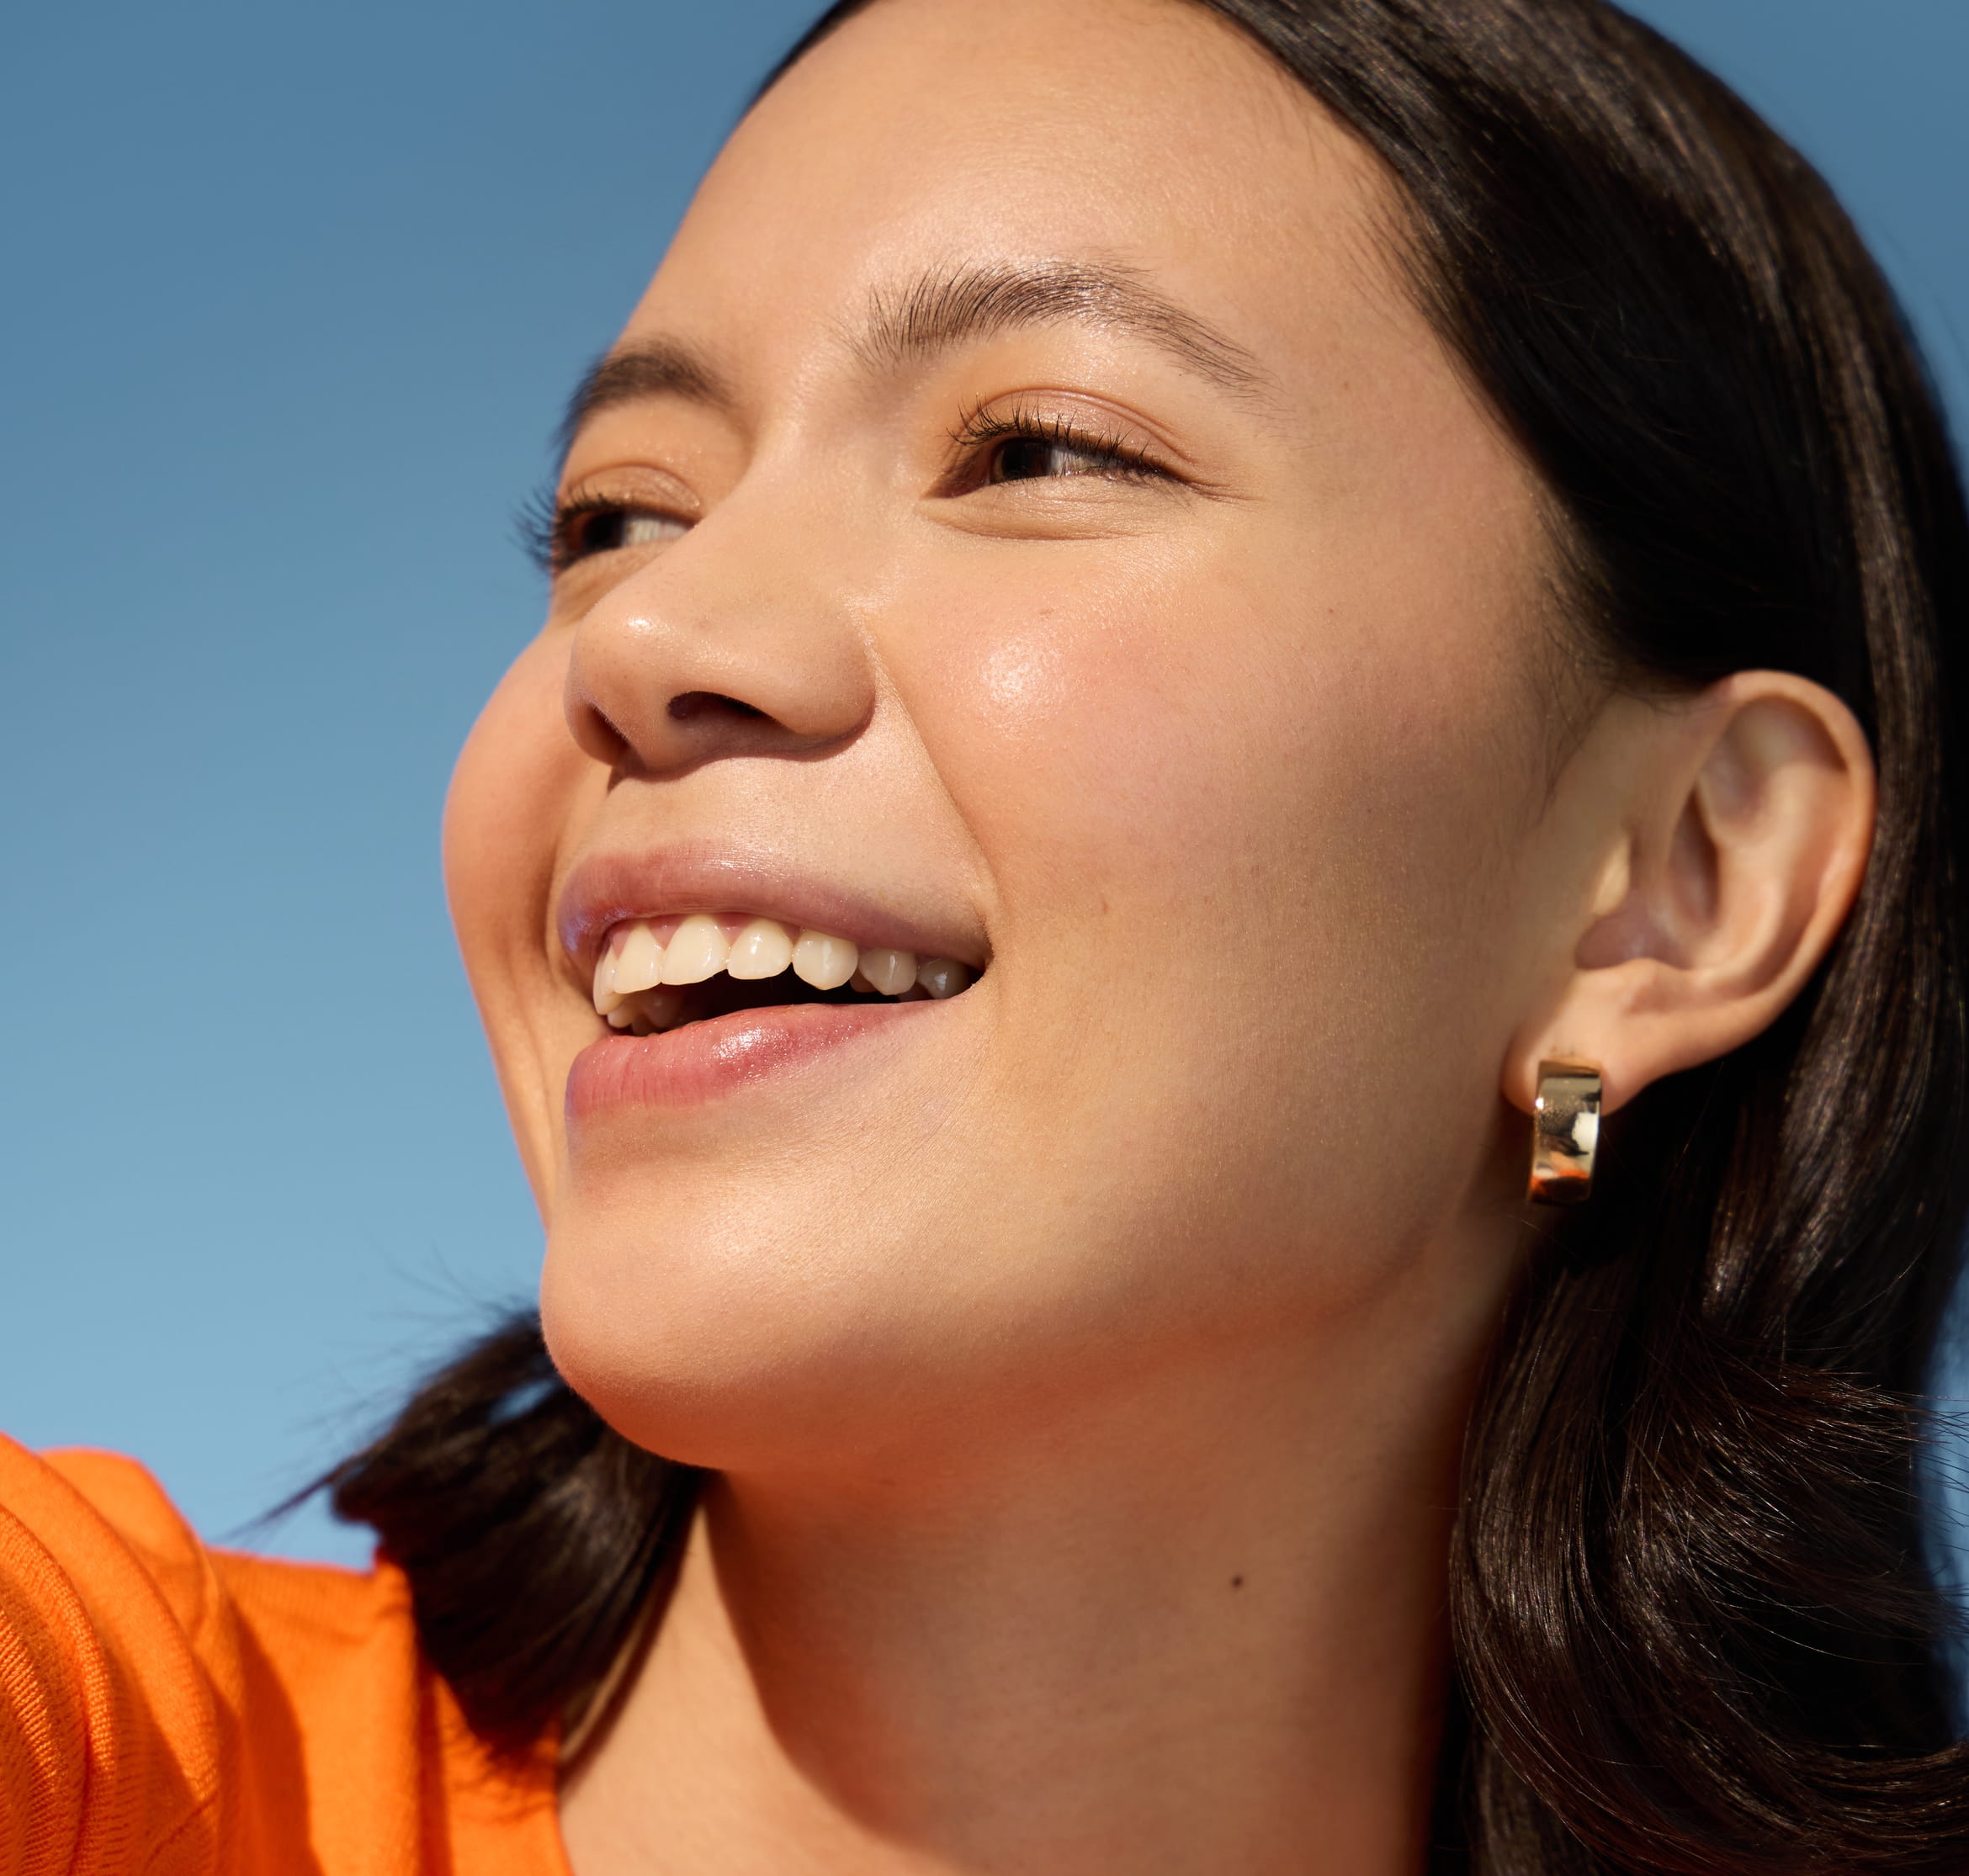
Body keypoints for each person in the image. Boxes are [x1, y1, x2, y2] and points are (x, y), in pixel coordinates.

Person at [7, 0, 1968, 1870]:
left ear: (1680, 878)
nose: (649, 637)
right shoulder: (105, 1754)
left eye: (1037, 451)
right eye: (617, 513)